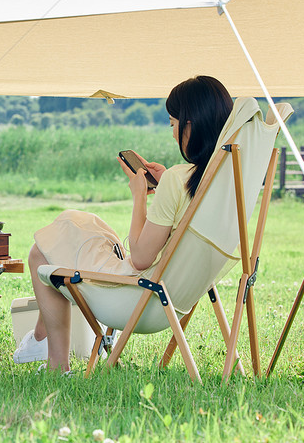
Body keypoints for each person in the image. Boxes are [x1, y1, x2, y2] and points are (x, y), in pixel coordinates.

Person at [13, 76, 233, 372]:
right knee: (82, 225)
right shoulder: (225, 180)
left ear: (190, 125)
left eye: (172, 124)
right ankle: (39, 337)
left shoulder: (177, 180)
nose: (172, 133)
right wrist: (167, 179)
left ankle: (55, 363)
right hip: (181, 295)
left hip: (139, 298)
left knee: (45, 247)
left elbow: (141, 259)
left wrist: (140, 197)